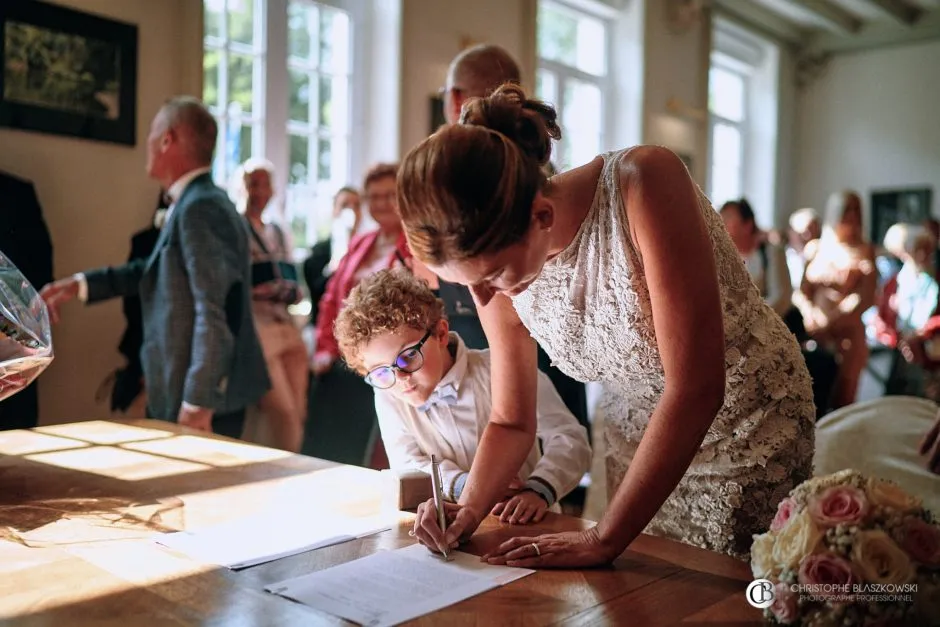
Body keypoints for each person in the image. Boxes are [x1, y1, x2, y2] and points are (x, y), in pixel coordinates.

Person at [398, 85, 815, 565]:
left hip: (743, 426)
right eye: (466, 284)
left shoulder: (645, 182)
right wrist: (467, 510)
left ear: (542, 215)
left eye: (491, 276)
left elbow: (698, 386)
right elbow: (512, 420)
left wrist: (604, 539)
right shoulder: (498, 260)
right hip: (633, 434)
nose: (483, 298)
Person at [39, 97, 269, 436]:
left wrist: (197, 402)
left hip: (200, 404)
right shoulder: (194, 202)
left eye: (152, 132)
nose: (148, 141)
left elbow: (216, 310)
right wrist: (79, 284)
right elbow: (154, 271)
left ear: (167, 140)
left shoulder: (201, 207)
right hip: (182, 387)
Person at [335, 268, 591, 523]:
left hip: (525, 519)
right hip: (447, 521)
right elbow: (406, 462)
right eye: (380, 372)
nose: (400, 378)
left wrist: (538, 489)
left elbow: (570, 439)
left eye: (408, 356)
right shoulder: (388, 394)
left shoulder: (503, 369)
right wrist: (466, 486)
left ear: (441, 333)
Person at [437, 43, 589, 431]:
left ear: (455, 98)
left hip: (503, 358)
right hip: (557, 369)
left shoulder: (468, 187)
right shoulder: (544, 173)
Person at [305, 163, 410, 467]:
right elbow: (331, 299)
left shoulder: (415, 244)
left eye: (389, 195)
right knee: (327, 437)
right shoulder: (360, 243)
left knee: (368, 444)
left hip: (388, 362)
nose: (381, 203)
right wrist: (324, 348)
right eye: (374, 197)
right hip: (343, 357)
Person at [233, 158, 307, 452]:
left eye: (265, 184)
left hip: (285, 325)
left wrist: (277, 287)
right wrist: (275, 286)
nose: (260, 191)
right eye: (253, 184)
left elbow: (293, 285)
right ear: (242, 188)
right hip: (258, 328)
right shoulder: (237, 228)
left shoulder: (277, 231)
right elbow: (246, 283)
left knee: (299, 410)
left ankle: (293, 463)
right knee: (282, 411)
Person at [794, 191, 877, 409]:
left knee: (840, 406)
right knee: (810, 402)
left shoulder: (865, 250)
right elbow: (801, 292)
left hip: (847, 341)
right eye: (846, 209)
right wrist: (810, 315)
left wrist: (831, 322)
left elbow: (865, 297)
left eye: (855, 210)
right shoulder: (815, 248)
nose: (850, 215)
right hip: (814, 337)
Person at [720, 199, 793, 317]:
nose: (722, 223)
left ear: (747, 225)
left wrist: (748, 319)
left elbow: (780, 297)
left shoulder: (771, 253)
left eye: (729, 218)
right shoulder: (724, 260)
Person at [304, 186, 362, 326]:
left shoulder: (367, 249)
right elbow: (316, 292)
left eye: (356, 205)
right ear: (334, 211)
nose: (351, 210)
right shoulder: (319, 251)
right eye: (344, 205)